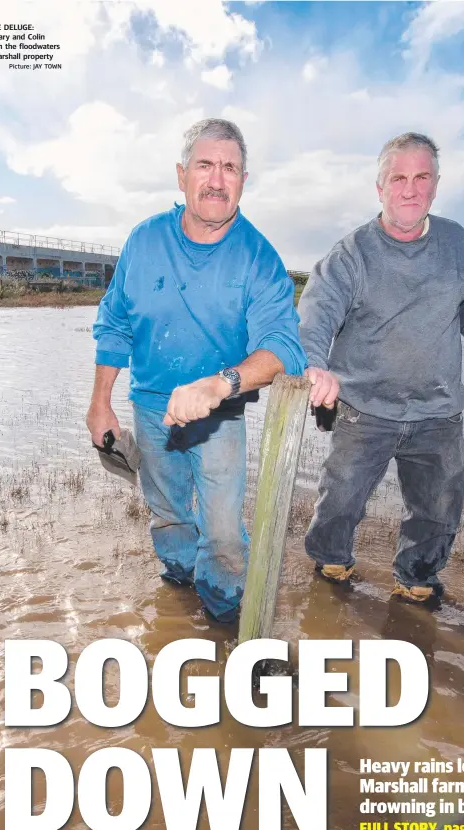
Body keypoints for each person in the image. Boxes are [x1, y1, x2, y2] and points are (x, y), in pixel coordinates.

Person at [87, 118, 306, 623]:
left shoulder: (260, 257)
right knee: (168, 514)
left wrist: (221, 383)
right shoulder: (144, 242)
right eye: (205, 165)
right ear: (182, 174)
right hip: (148, 407)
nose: (216, 178)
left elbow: (283, 345)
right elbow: (114, 323)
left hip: (218, 414)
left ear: (243, 181)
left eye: (230, 168)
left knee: (226, 533)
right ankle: (179, 590)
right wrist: (100, 402)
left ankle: (226, 615)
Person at [299, 132, 464, 602]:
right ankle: (332, 565)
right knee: (339, 501)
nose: (410, 188)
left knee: (439, 511)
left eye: (421, 177)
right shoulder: (351, 254)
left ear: (436, 184)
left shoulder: (462, 247)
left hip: (437, 412)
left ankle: (416, 582)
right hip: (363, 409)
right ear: (380, 186)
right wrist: (312, 366)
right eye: (398, 177)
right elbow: (316, 314)